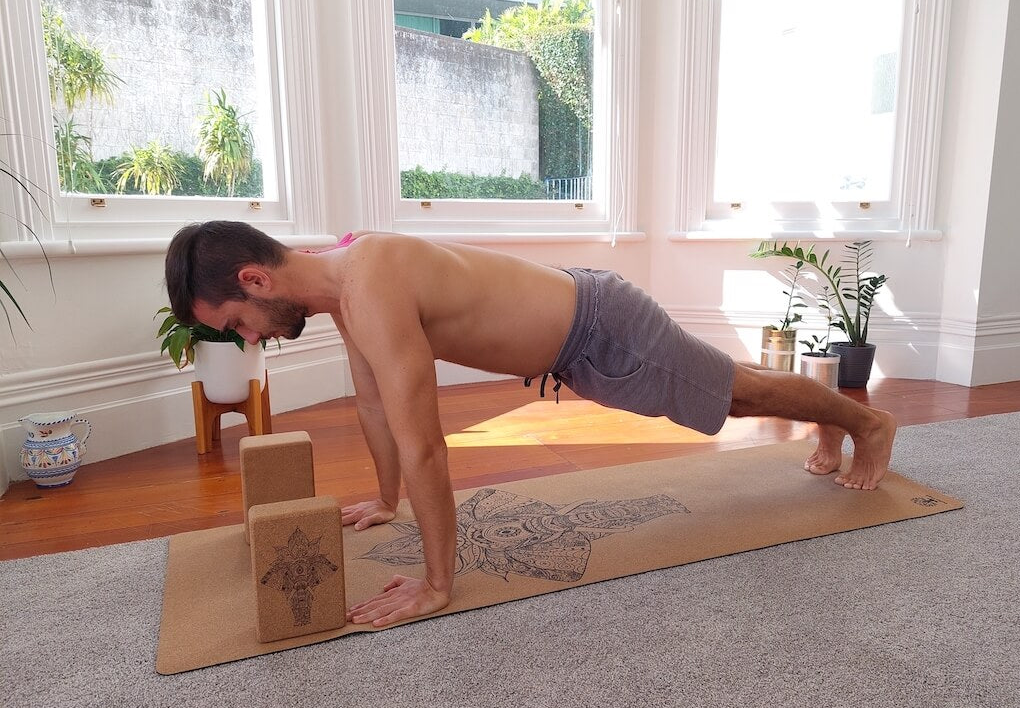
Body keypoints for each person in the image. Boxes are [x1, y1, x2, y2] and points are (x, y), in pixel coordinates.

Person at [165, 221, 896, 627]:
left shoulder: (371, 286)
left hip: (603, 329)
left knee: (735, 395)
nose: (251, 339)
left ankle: (863, 422)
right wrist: (387, 503)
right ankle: (835, 425)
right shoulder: (345, 291)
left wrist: (437, 582)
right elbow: (373, 407)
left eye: (239, 324)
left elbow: (425, 441)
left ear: (256, 282)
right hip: (580, 344)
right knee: (736, 390)